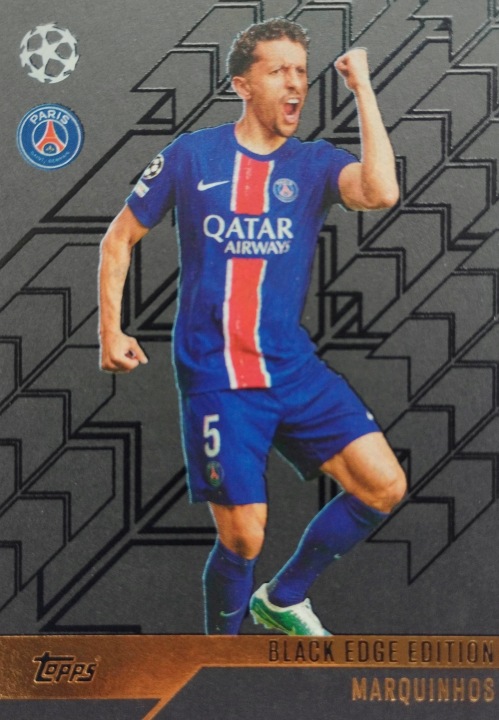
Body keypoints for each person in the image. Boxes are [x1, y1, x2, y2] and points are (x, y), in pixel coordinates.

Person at [98, 17, 406, 636]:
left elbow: (380, 192)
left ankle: (283, 598)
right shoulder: (190, 155)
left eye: (302, 72)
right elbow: (119, 239)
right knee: (245, 536)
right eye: (278, 71)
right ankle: (221, 657)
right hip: (218, 375)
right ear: (242, 84)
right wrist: (111, 330)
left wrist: (363, 89)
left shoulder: (314, 164)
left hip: (290, 368)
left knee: (383, 485)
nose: (295, 84)